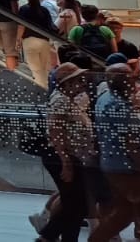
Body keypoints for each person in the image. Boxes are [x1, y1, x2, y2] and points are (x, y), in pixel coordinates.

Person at [89, 64, 140, 242]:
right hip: (130, 169)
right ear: (122, 81)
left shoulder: (104, 98)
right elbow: (131, 142)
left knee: (124, 214)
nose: (134, 80)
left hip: (112, 165)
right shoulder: (119, 105)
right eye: (130, 77)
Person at [42, 63, 96, 242]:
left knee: (75, 203)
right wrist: (65, 162)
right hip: (63, 156)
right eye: (77, 79)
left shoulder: (67, 100)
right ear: (66, 83)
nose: (82, 83)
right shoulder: (60, 101)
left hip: (71, 155)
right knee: (75, 203)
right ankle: (50, 236)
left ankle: (53, 236)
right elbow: (55, 131)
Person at [18, 0, 60, 87]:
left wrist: (18, 40)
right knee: (45, 68)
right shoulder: (44, 10)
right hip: (44, 40)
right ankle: (46, 88)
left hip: (29, 40)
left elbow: (21, 26)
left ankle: (41, 90)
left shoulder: (24, 9)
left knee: (36, 70)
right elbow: (50, 25)